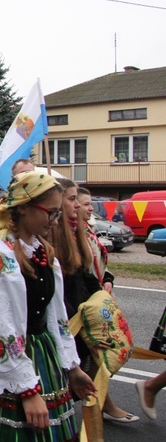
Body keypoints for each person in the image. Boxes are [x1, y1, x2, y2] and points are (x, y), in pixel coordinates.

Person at [0, 170, 97, 442]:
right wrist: (27, 391)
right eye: (51, 213)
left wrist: (72, 366)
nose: (55, 221)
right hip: (10, 356)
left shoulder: (42, 250)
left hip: (42, 354)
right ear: (25, 208)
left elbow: (57, 316)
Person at [51, 179, 137, 423]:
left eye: (81, 201)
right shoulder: (54, 235)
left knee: (95, 359)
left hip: (84, 307)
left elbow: (87, 271)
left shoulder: (78, 230)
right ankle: (84, 406)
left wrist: (101, 298)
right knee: (72, 369)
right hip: (69, 315)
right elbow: (58, 286)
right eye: (73, 199)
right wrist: (71, 318)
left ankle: (96, 403)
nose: (79, 206)